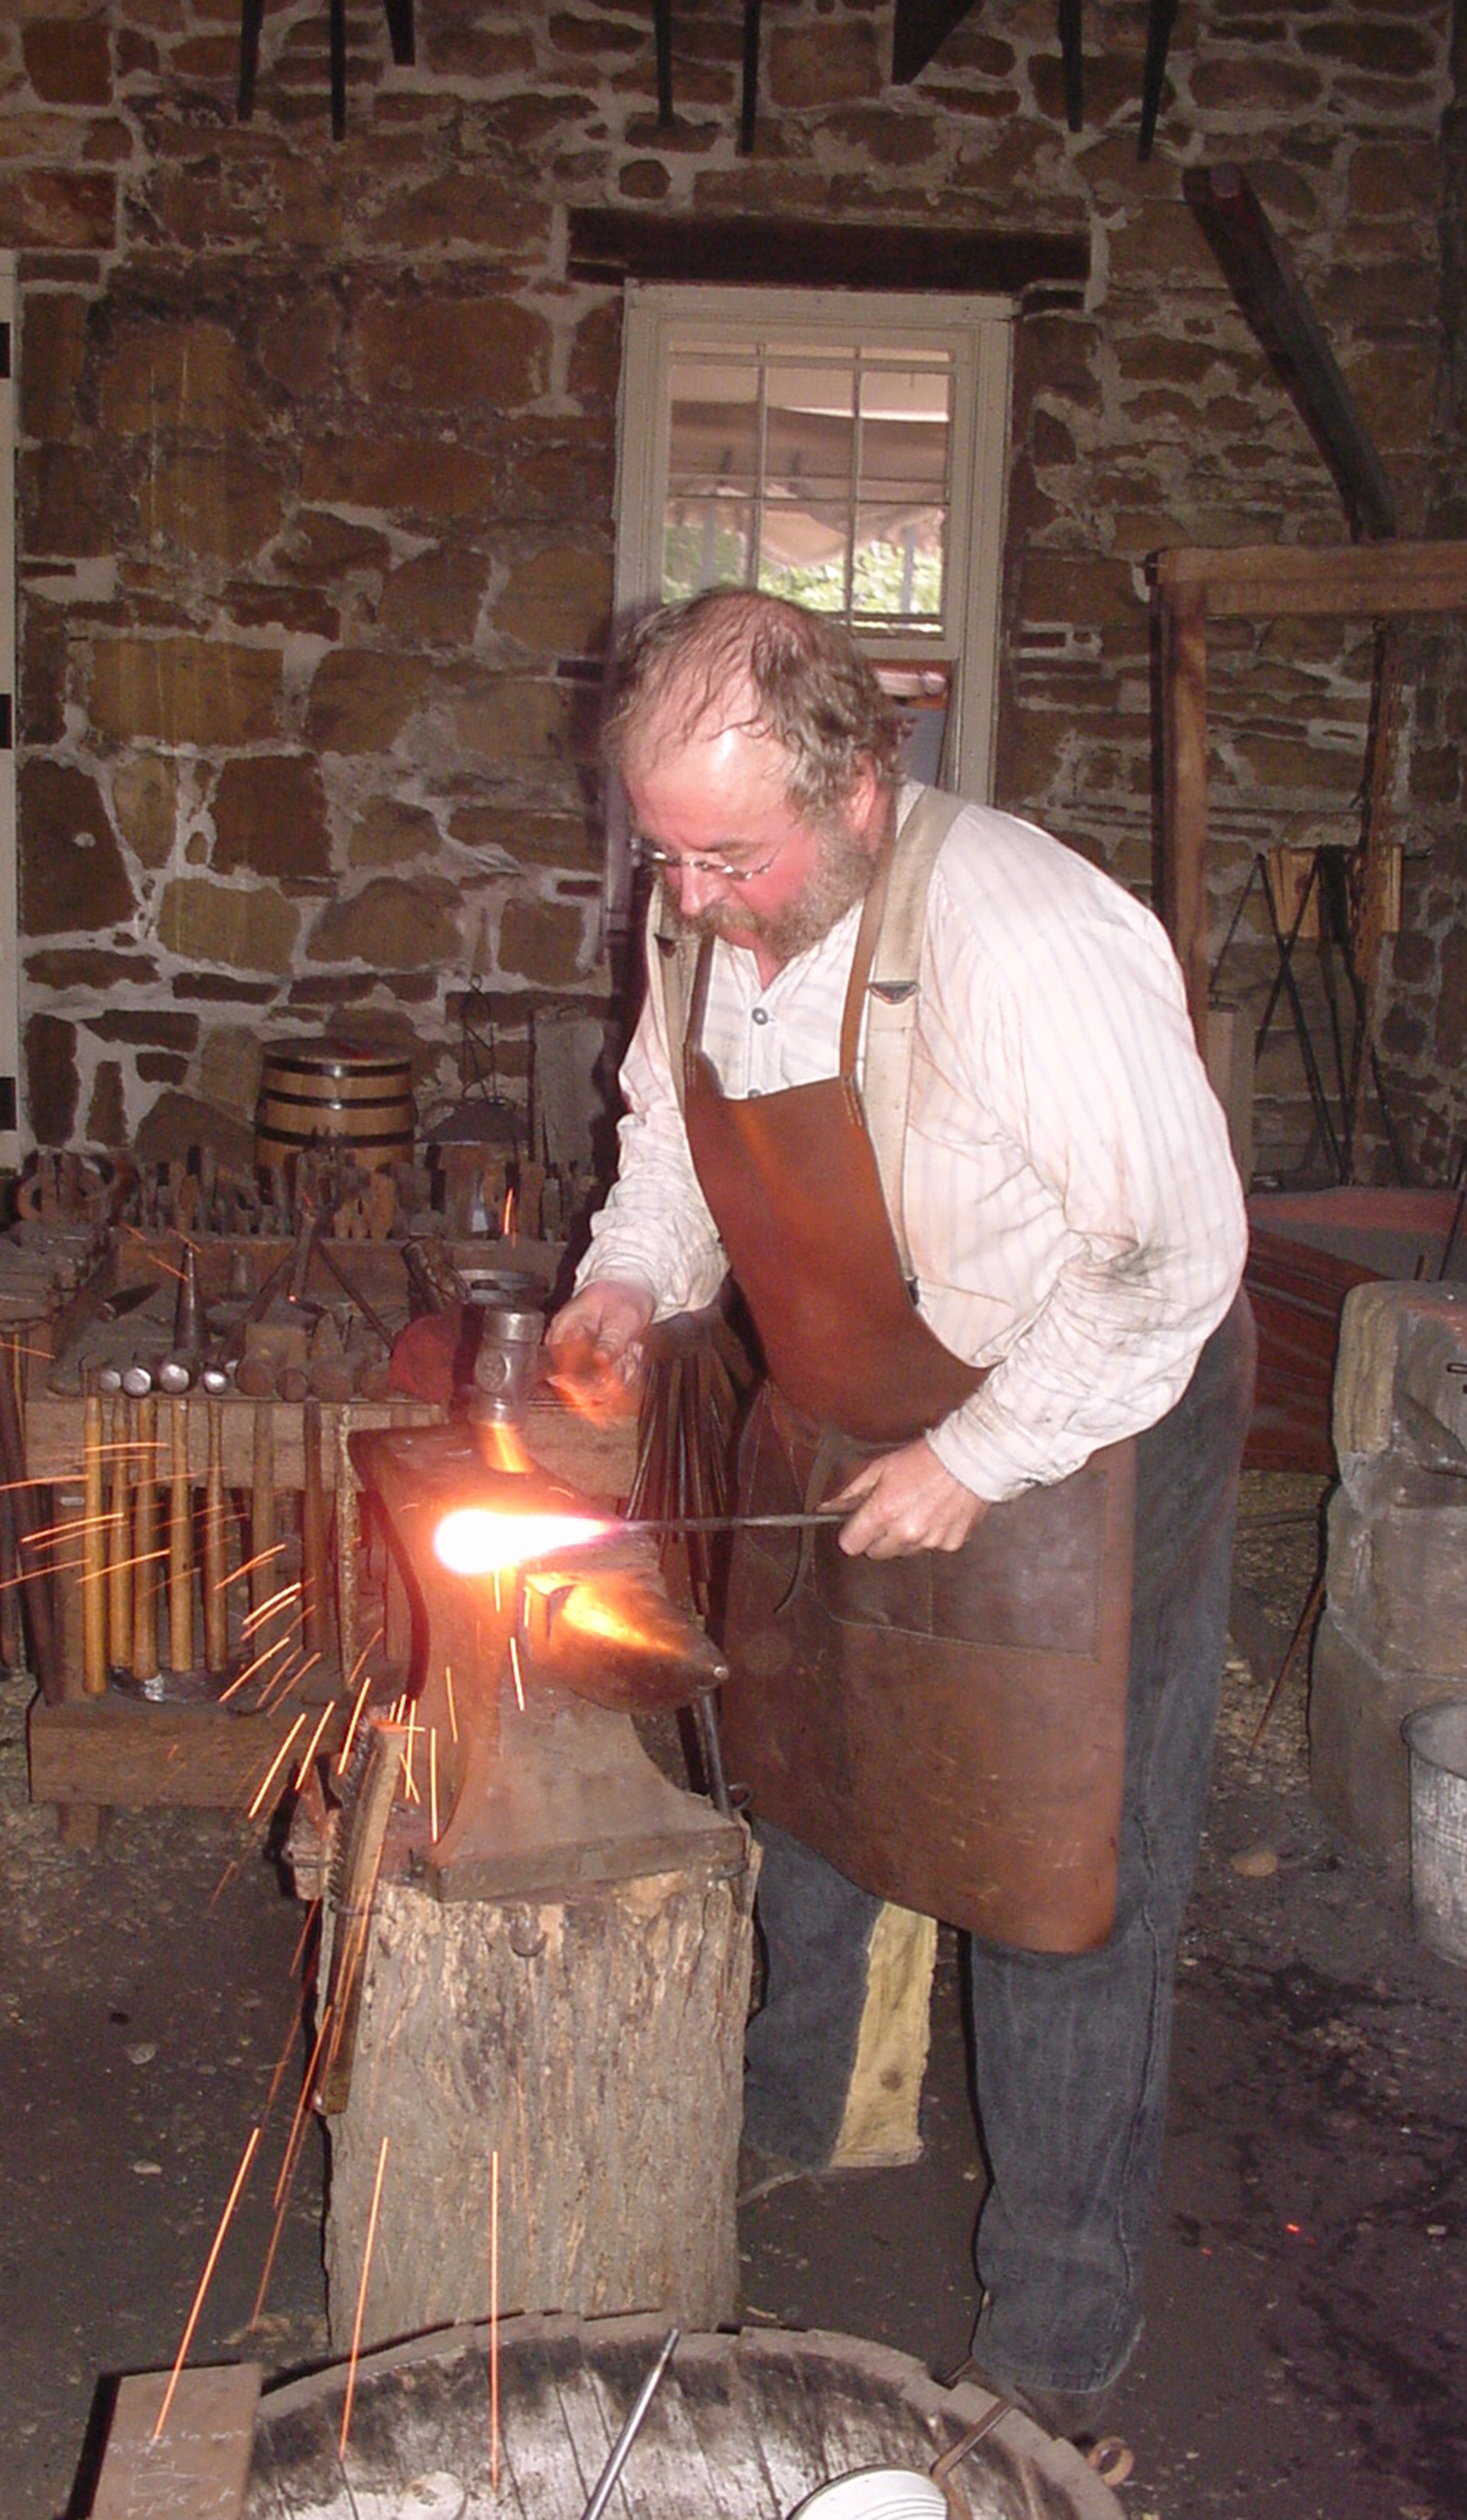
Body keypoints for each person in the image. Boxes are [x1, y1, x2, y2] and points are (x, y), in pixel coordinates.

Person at [547, 588, 1254, 2441]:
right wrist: (628, 1284)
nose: (687, 897)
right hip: (849, 1394)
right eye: (663, 855)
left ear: (862, 783)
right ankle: (810, 2116)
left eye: (727, 854)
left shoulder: (1018, 928)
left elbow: (1169, 1260)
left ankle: (1055, 2341)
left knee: (1059, 1884)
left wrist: (980, 1458)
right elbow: (666, 1143)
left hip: (1088, 1407)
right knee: (812, 1770)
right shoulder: (701, 904)